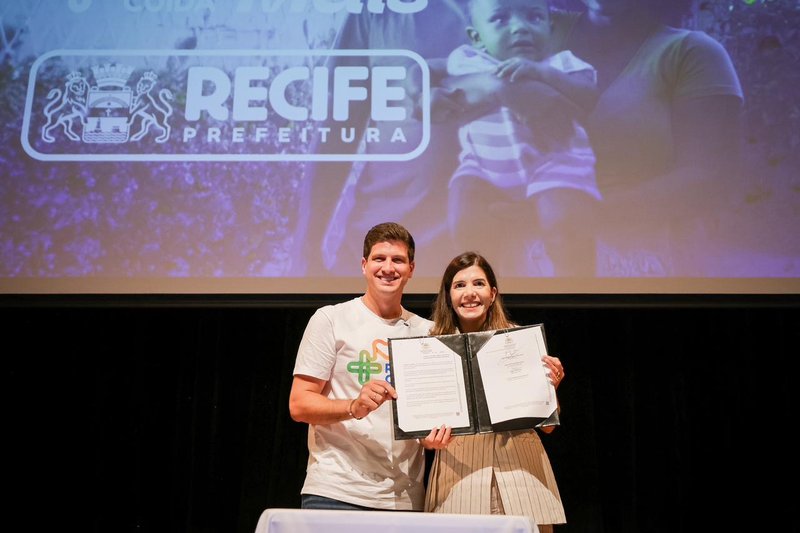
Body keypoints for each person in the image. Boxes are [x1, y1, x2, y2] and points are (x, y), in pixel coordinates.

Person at [558, 0, 744, 275]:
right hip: (526, 267)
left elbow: (708, 177)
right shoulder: (531, 28)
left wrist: (578, 215)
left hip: (647, 267)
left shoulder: (693, 52)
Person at [288, 221, 453, 510]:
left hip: (403, 498)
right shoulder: (331, 320)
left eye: (398, 260)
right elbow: (299, 405)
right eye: (379, 258)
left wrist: (430, 439)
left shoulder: (428, 333)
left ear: (411, 269)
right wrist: (354, 405)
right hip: (336, 490)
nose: (388, 268)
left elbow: (431, 418)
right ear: (364, 265)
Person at [438, 0, 602, 277]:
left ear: (551, 28)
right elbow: (429, 70)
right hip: (482, 167)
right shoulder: (467, 61)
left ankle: (577, 288)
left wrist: (542, 73)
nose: (520, 28)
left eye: (534, 17)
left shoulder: (561, 63)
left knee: (565, 226)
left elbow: (589, 95)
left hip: (555, 162)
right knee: (463, 218)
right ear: (476, 37)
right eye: (501, 19)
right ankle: (485, 284)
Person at [424, 251, 567, 532]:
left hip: (523, 476)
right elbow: (423, 430)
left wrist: (552, 389)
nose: (469, 293)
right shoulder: (432, 349)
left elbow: (548, 428)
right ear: (448, 296)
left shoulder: (521, 341)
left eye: (478, 284)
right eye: (459, 285)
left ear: (492, 293)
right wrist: (429, 442)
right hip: (458, 480)